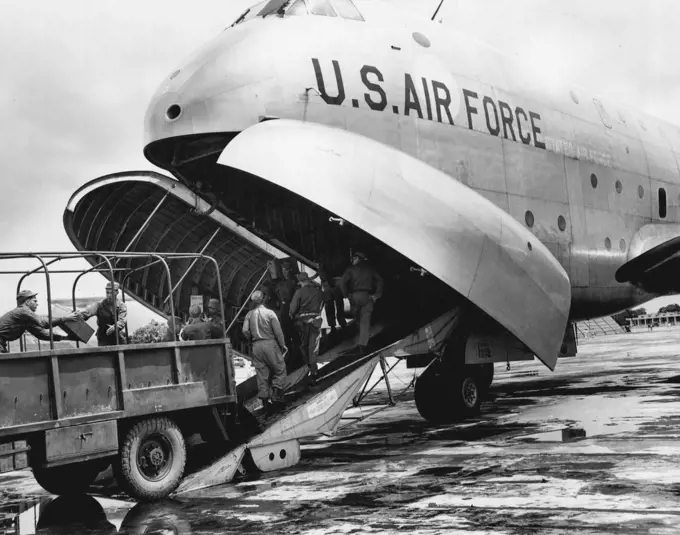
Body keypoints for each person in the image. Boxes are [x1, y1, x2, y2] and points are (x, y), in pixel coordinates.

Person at [242, 290, 287, 414]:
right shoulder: (270, 313)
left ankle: (266, 407)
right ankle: (277, 398)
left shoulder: (249, 315)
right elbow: (278, 331)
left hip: (256, 346)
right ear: (264, 299)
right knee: (280, 370)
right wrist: (282, 344)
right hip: (269, 343)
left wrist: (251, 339)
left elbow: (245, 330)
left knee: (262, 376)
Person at [0, 290, 77, 353]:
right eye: (35, 301)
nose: (37, 304)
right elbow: (43, 323)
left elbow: (42, 334)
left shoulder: (25, 319)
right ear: (27, 302)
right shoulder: (23, 310)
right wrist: (65, 318)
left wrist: (66, 338)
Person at [339, 251, 384, 356]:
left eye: (355, 258)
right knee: (365, 321)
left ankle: (361, 337)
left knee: (358, 319)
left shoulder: (351, 269)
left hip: (354, 297)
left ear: (359, 258)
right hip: (366, 296)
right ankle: (362, 344)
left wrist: (346, 294)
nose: (353, 259)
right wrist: (377, 295)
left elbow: (342, 282)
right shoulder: (370, 268)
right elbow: (380, 280)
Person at [289, 272, 325, 381]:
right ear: (309, 280)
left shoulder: (299, 292)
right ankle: (314, 369)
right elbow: (323, 303)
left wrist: (292, 315)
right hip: (316, 321)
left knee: (304, 345)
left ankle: (308, 366)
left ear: (300, 282)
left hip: (303, 321)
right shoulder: (318, 292)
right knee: (313, 346)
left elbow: (293, 308)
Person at [76, 282, 128, 346]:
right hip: (103, 338)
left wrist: (115, 327)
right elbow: (88, 312)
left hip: (117, 337)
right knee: (104, 355)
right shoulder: (99, 304)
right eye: (107, 293)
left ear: (117, 292)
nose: (109, 295)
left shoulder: (121, 305)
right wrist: (78, 315)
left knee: (123, 353)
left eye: (111, 293)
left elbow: (122, 320)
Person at [275, 261, 299, 350]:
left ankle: (296, 345)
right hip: (283, 307)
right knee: (284, 328)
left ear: (291, 270)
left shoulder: (294, 282)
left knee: (290, 327)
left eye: (287, 270)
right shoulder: (281, 283)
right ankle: (289, 347)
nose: (285, 272)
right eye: (283, 270)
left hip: (290, 306)